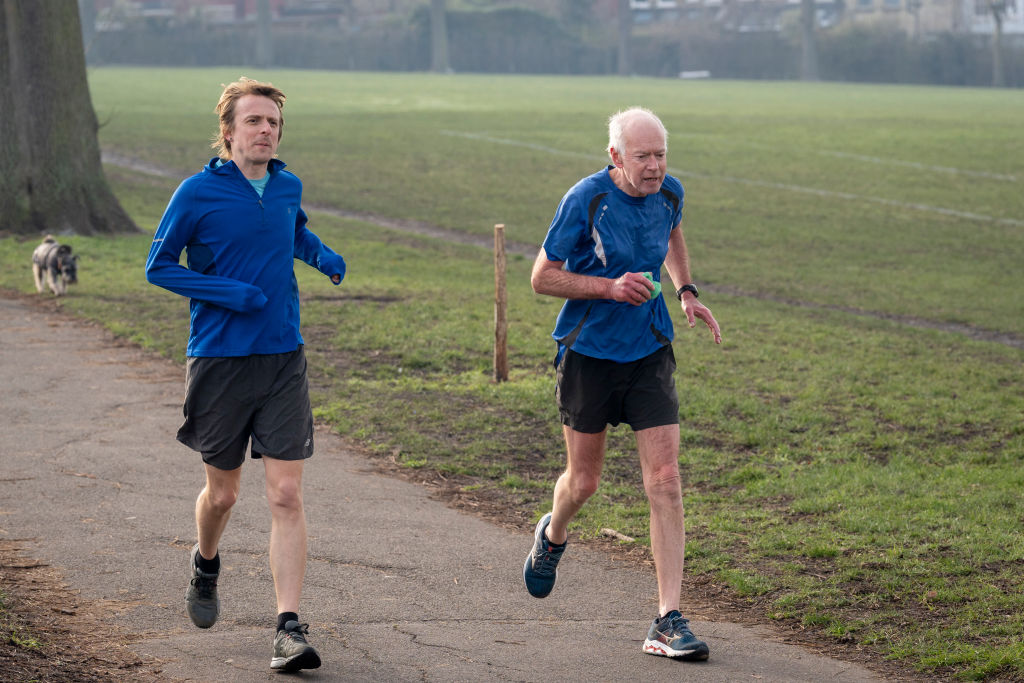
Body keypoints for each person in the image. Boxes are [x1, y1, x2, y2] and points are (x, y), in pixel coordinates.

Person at [145, 77, 346, 673]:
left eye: (273, 123)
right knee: (224, 493)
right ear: (228, 131)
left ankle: (288, 625)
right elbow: (159, 266)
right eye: (253, 121)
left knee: (286, 493)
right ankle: (206, 561)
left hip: (284, 355)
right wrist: (228, 293)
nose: (265, 131)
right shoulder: (197, 192)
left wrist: (321, 255)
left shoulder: (286, 185)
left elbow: (294, 229)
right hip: (220, 359)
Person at [523, 106, 722, 662]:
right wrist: (609, 289)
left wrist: (685, 291)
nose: (655, 166)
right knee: (583, 483)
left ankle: (667, 618)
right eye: (643, 157)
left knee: (665, 477)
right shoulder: (586, 199)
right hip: (588, 352)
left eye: (661, 154)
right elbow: (542, 277)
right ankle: (553, 532)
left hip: (650, 349)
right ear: (616, 157)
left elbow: (673, 234)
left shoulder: (670, 192)